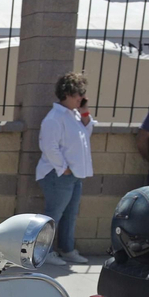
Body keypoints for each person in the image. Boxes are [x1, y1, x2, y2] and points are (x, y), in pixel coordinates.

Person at [36, 71, 94, 265]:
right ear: (67, 94)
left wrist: (85, 113)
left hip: (73, 174)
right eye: (78, 94)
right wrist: (64, 168)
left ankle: (67, 249)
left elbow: (85, 135)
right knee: (53, 214)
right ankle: (44, 252)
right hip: (57, 174)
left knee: (70, 214)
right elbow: (48, 146)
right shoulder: (55, 117)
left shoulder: (74, 115)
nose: (81, 98)